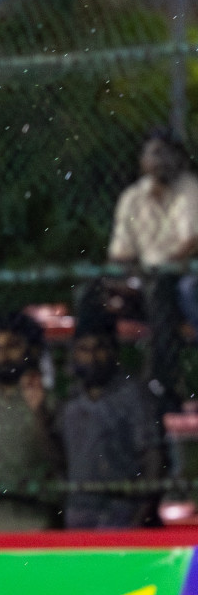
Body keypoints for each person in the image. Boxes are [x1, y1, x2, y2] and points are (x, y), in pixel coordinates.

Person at [86, 129, 198, 412]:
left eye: (165, 153)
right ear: (141, 161)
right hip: (143, 282)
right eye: (152, 153)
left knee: (162, 288)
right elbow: (120, 253)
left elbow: (191, 241)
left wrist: (153, 272)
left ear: (179, 159)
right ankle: (95, 383)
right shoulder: (132, 198)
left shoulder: (190, 189)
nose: (159, 161)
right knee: (90, 295)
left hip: (178, 282)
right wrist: (123, 279)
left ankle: (162, 386)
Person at [59, 320, 162, 528]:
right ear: (74, 354)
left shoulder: (134, 395)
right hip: (78, 513)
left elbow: (153, 456)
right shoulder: (68, 400)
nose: (92, 357)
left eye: (100, 348)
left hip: (122, 512)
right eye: (84, 349)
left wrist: (142, 514)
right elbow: (59, 460)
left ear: (113, 352)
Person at [0, 311, 61, 531]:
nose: (4, 355)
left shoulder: (48, 400)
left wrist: (39, 410)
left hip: (36, 519)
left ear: (31, 349)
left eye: (13, 345)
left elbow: (58, 460)